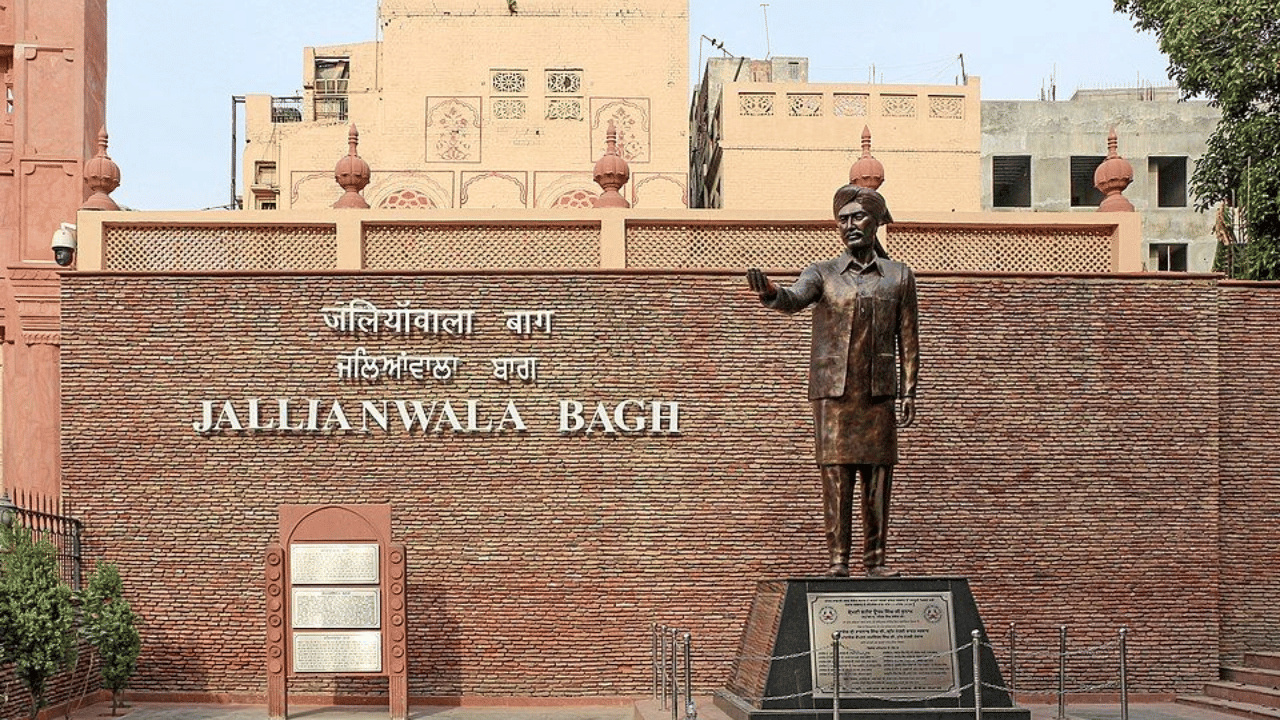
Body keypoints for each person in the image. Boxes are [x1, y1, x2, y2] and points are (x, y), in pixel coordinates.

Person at [747, 184, 919, 577]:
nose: (850, 225)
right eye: (843, 219)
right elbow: (794, 298)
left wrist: (909, 390)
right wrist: (771, 291)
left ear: (876, 221)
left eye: (858, 217)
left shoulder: (899, 276)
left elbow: (908, 338)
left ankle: (875, 562)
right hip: (834, 394)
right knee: (836, 477)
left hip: (879, 394)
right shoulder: (821, 273)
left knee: (877, 479)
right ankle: (838, 561)